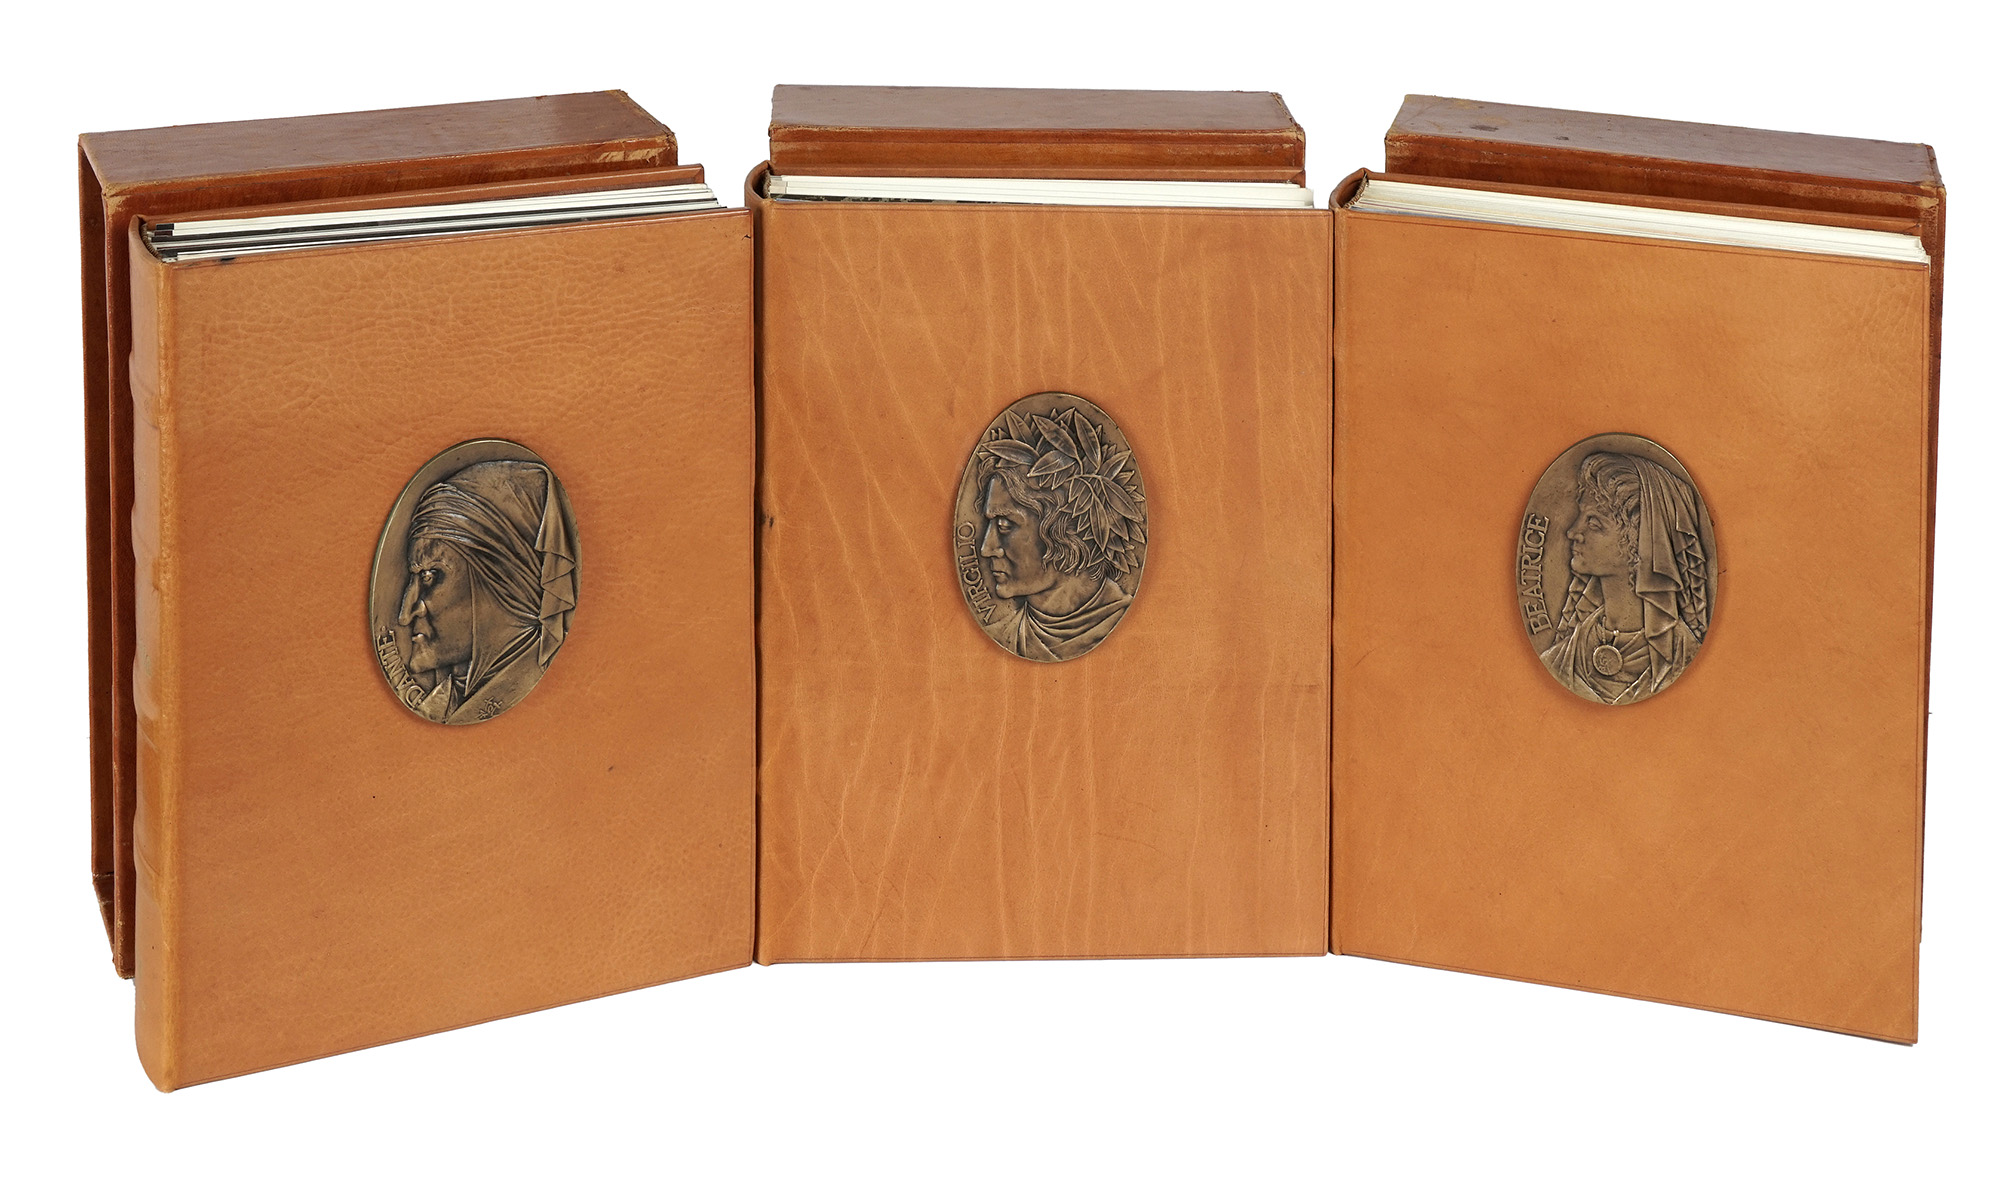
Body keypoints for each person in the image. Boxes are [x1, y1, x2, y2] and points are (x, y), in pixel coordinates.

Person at [396, 459, 576, 723]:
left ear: (503, 582)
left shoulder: (548, 697)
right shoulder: (439, 706)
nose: (405, 614)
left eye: (430, 577)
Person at [973, 408, 1143, 662]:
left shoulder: (1128, 626)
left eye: (1005, 525)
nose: (986, 548)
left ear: (1065, 530)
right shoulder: (1006, 635)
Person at [1539, 451, 1709, 704]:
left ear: (1639, 541)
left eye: (1593, 523)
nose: (1573, 532)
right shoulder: (1560, 659)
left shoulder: (1684, 655)